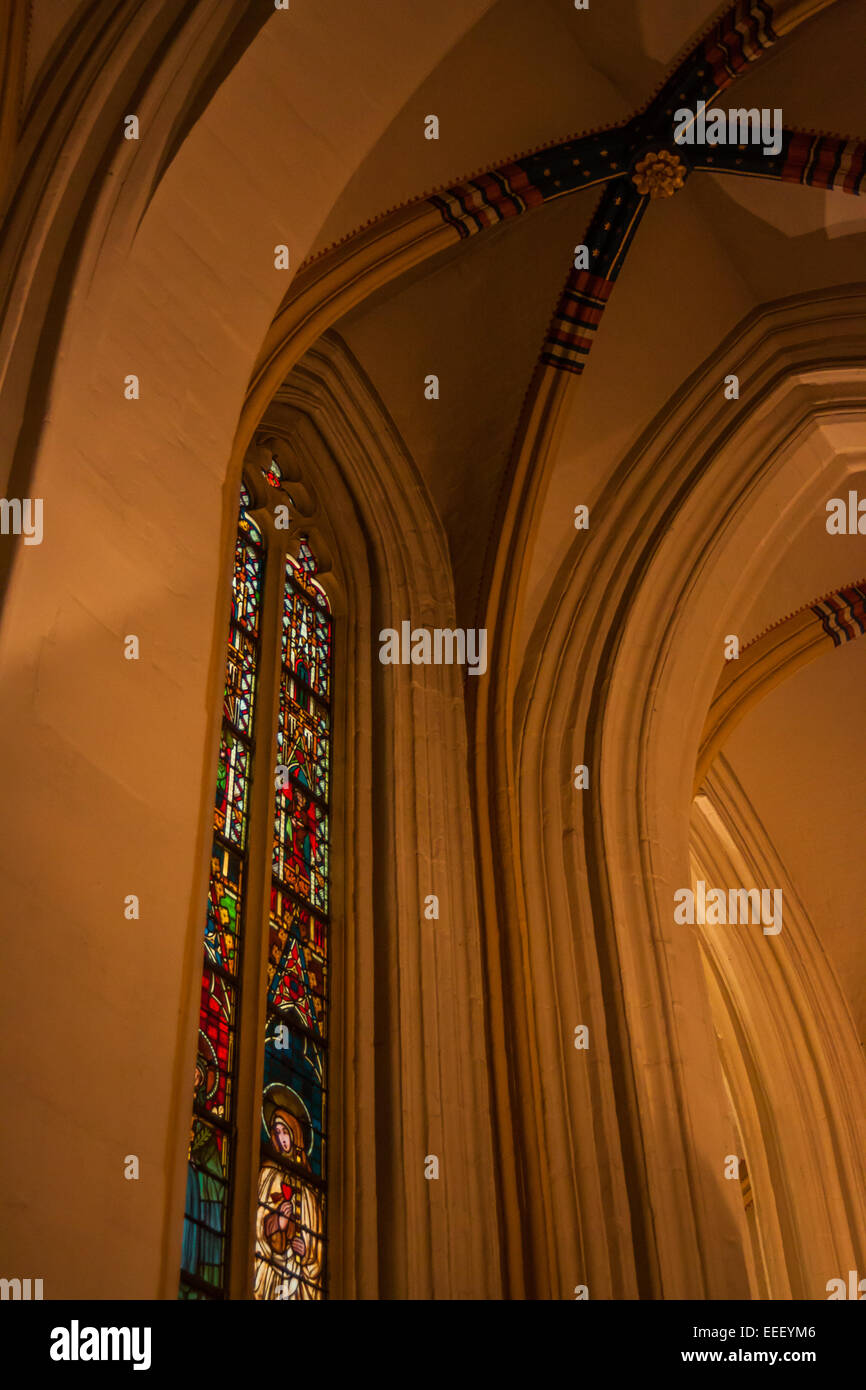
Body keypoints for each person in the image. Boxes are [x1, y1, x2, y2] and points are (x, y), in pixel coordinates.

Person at [254, 1084, 323, 1300]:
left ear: (295, 1134)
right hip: (270, 1277)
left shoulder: (310, 1191)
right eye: (277, 1132)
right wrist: (277, 1222)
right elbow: (256, 1227)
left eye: (285, 1131)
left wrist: (306, 1254)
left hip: (298, 1283)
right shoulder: (268, 1173)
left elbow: (317, 1243)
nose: (281, 1137)